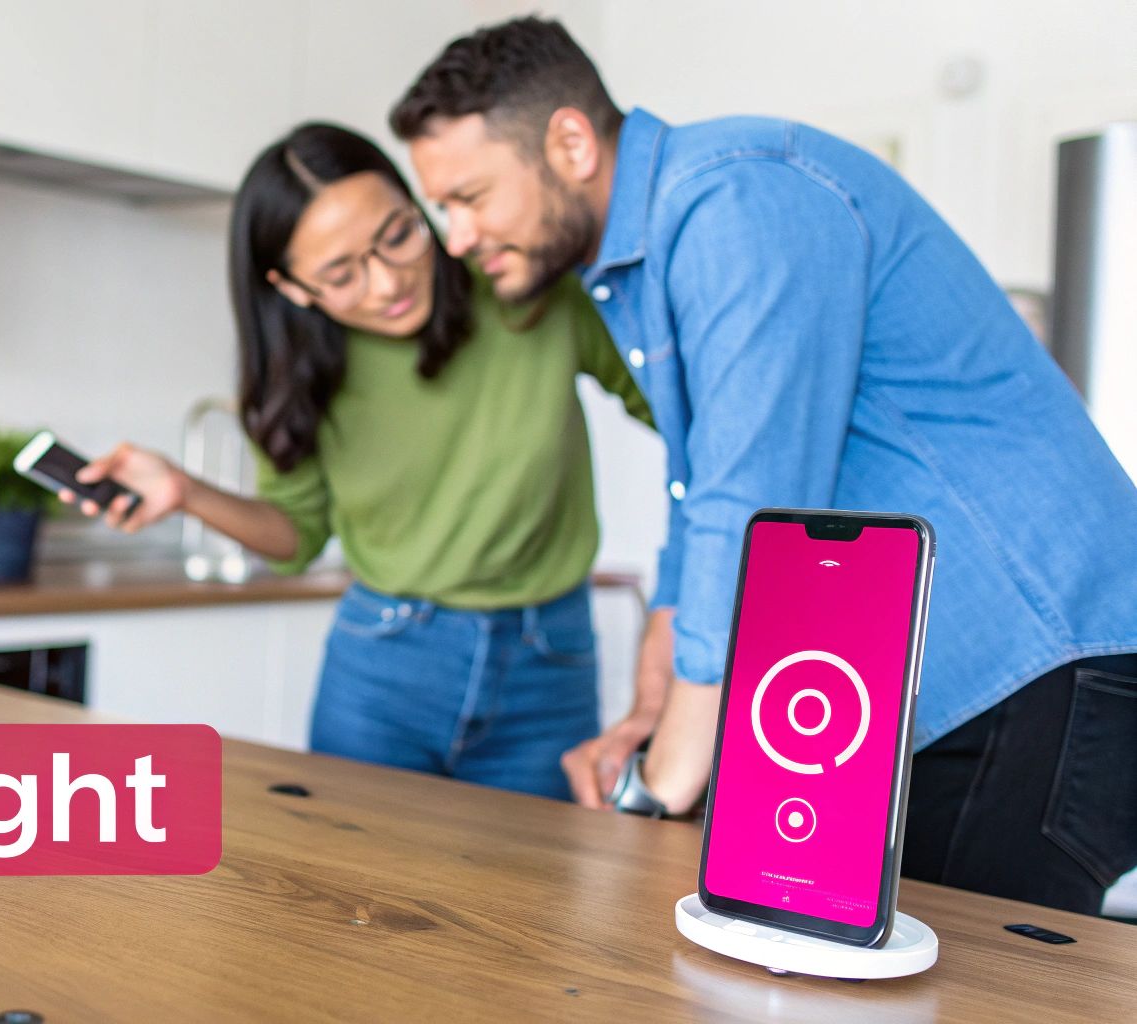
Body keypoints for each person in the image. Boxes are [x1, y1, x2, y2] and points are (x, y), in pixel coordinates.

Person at [389, 15, 1137, 913]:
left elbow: (753, 502)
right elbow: (706, 490)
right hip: (957, 683)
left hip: (1040, 656)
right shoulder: (645, 258)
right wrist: (658, 709)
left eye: (468, 196)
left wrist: (665, 786)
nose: (457, 237)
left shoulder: (737, 200)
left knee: (983, 989)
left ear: (571, 142)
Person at [68, 122, 652, 800]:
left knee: (539, 903)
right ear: (291, 287)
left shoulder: (525, 291)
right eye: (342, 274)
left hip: (549, 661)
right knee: (355, 905)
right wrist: (184, 491)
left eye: (399, 236)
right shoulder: (301, 375)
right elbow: (295, 538)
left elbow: (672, 408)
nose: (387, 283)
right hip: (383, 669)